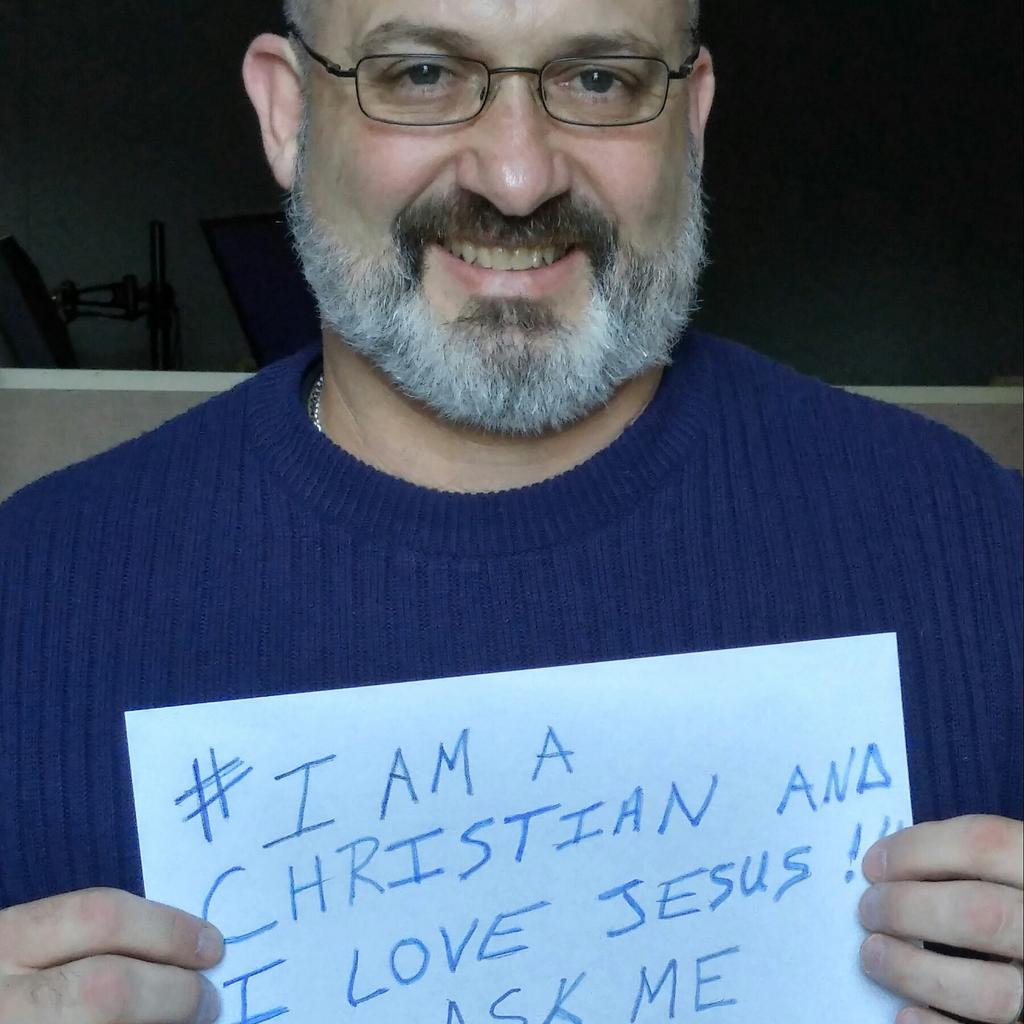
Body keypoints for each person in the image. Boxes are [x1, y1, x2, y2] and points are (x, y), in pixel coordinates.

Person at [0, 0, 1021, 1021]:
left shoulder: (975, 543)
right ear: (288, 111)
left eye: (599, 81)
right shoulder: (30, 594)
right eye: (421, 75)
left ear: (691, 118)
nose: (518, 178)